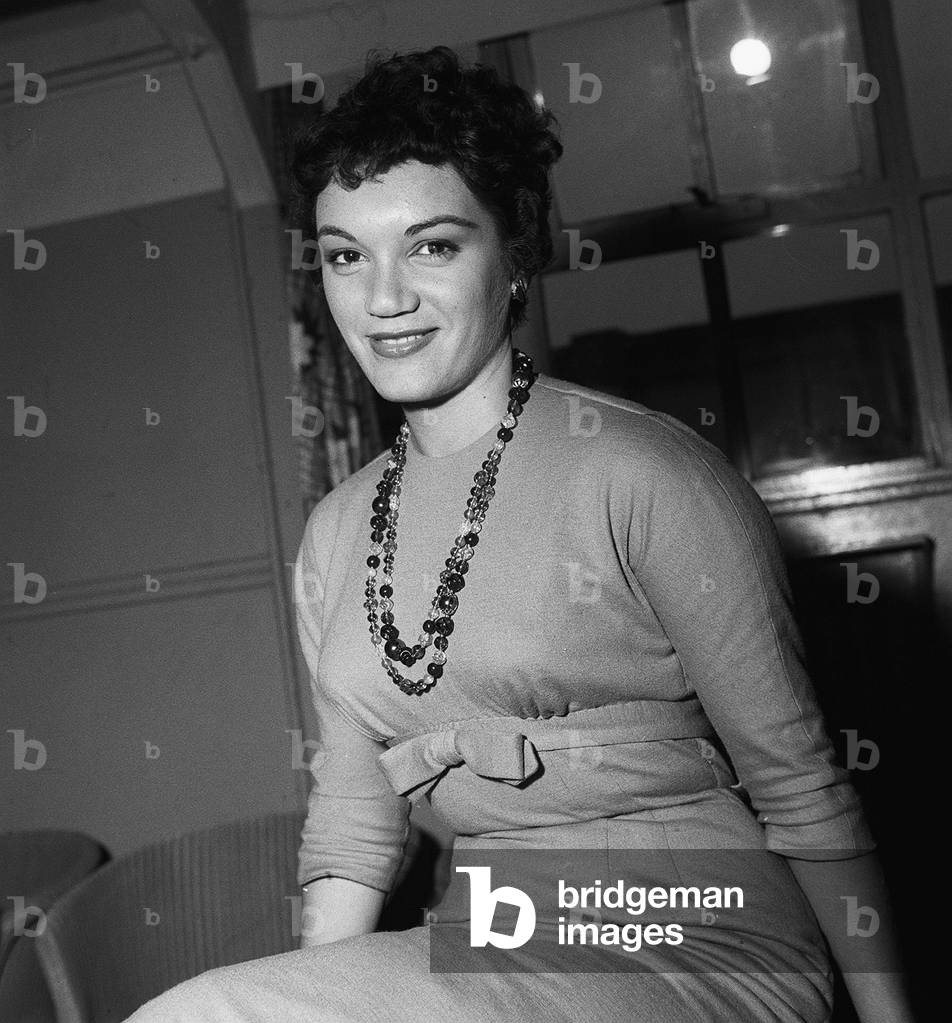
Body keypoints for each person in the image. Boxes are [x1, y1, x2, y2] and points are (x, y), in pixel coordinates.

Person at [124, 46, 914, 1022]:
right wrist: (310, 993)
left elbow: (802, 787)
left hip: (695, 927)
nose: (382, 298)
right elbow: (354, 819)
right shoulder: (335, 532)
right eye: (344, 255)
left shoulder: (643, 470)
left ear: (514, 254)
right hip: (494, 930)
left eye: (432, 246)